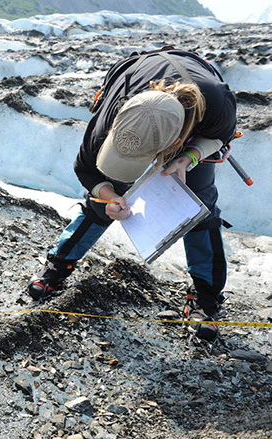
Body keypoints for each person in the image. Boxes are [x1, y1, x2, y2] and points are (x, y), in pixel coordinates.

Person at [27, 49, 237, 341]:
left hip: (194, 124)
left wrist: (188, 158)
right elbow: (86, 170)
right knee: (101, 205)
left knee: (199, 209)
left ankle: (206, 298)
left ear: (174, 143)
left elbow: (220, 137)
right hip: (137, 79)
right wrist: (108, 195)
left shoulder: (216, 103)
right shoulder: (112, 117)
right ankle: (57, 266)